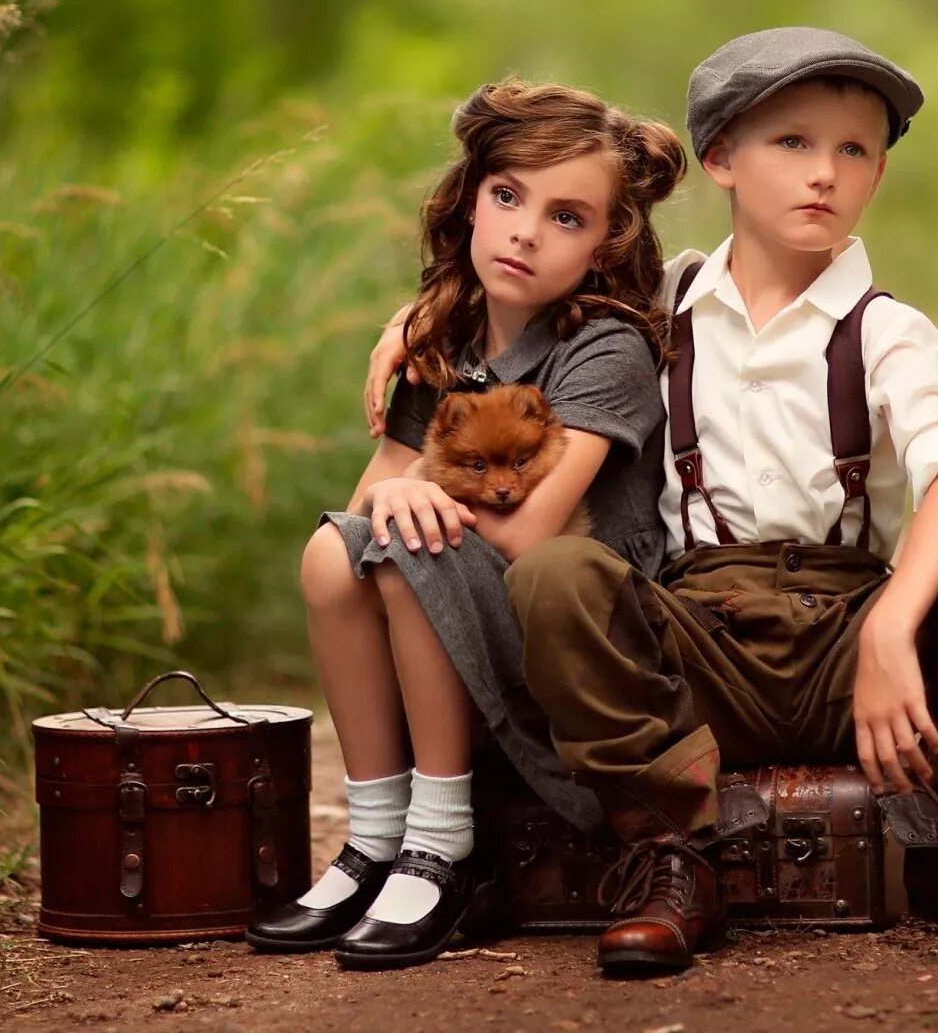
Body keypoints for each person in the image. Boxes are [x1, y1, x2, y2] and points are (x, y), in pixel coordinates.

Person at [369, 29, 938, 975]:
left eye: (855, 150)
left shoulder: (886, 329)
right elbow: (526, 287)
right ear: (722, 158)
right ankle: (671, 855)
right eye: (794, 144)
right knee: (560, 572)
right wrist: (419, 320)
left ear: (879, 175)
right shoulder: (663, 300)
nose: (825, 175)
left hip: (856, 645)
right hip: (700, 646)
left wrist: (894, 626)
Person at [246, 80, 685, 970]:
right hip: (467, 602)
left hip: (578, 629)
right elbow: (369, 497)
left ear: (606, 247)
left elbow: (531, 538)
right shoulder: (441, 340)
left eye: (568, 218)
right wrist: (399, 485)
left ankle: (439, 845)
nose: (525, 231)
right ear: (472, 200)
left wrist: (414, 498)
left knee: (413, 548)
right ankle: (373, 839)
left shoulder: (606, 347)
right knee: (333, 556)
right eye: (509, 196)